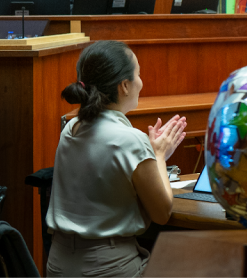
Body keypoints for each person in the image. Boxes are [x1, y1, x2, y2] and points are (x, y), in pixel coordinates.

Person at [46, 41, 187, 277]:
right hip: (109, 268)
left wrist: (148, 152)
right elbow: (162, 213)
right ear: (124, 86)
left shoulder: (71, 128)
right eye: (138, 74)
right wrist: (159, 155)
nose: (141, 82)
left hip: (57, 265)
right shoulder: (130, 140)